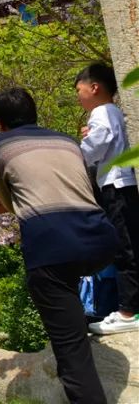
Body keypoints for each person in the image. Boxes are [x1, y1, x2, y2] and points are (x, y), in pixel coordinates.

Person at [0, 87, 119, 404]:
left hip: (52, 247)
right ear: (35, 115)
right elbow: (71, 190)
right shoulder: (67, 142)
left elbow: (11, 197)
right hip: (102, 238)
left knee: (71, 351)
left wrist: (3, 206)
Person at [75, 63, 139, 335]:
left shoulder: (100, 112)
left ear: (94, 88)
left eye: (79, 90)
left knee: (126, 248)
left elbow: (95, 147)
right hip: (122, 183)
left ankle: (128, 311)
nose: (78, 96)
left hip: (116, 185)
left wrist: (79, 151)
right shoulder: (112, 113)